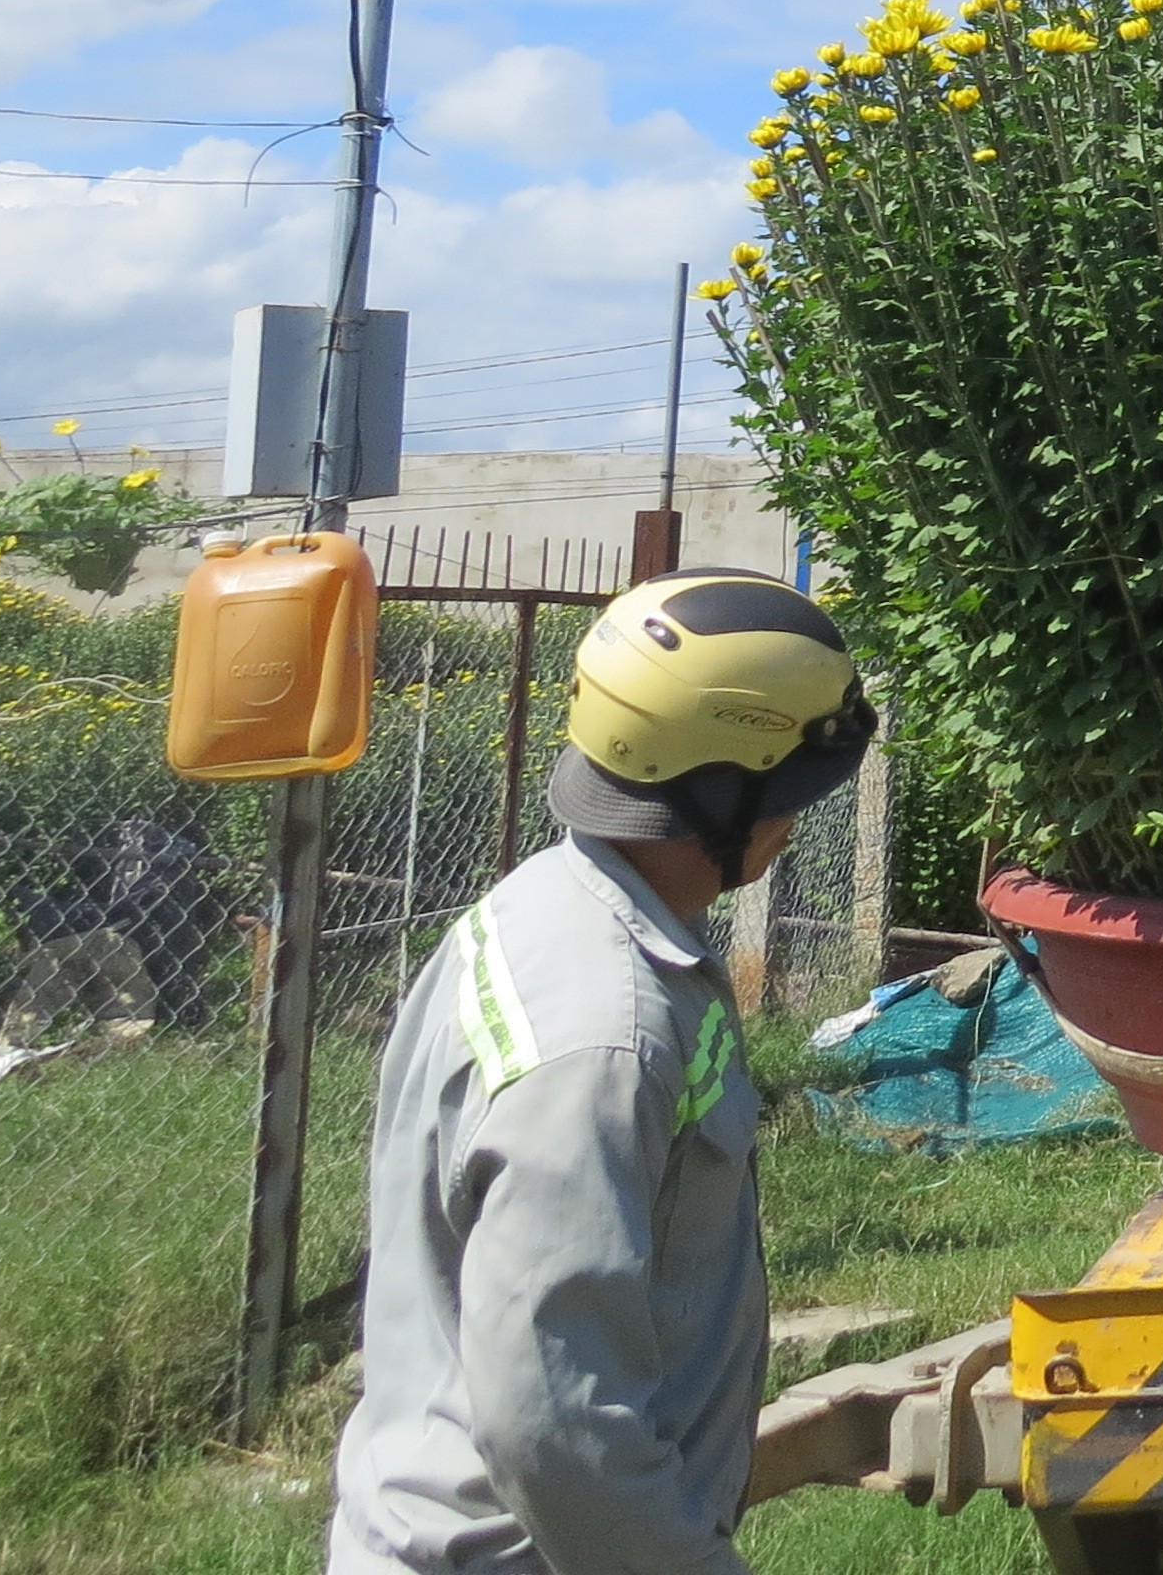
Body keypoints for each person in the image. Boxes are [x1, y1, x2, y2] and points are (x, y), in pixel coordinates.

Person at [331, 572, 876, 1575]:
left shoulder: (548, 910)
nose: (797, 822)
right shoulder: (602, 1035)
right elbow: (554, 1425)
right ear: (733, 787)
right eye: (795, 792)